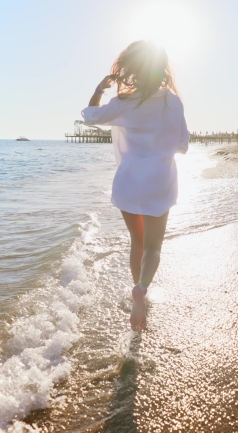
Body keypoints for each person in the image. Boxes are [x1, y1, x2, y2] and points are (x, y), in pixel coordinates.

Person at [81, 40, 189, 331]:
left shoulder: (123, 103)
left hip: (129, 182)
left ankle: (136, 290)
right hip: (160, 180)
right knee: (153, 247)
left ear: (132, 69)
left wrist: (99, 89)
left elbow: (89, 117)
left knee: (137, 242)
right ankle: (142, 288)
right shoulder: (172, 100)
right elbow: (183, 145)